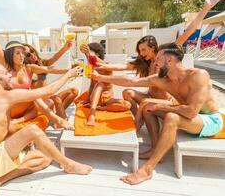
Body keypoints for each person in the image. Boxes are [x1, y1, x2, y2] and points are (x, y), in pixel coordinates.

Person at [92, 0, 224, 158]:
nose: (141, 54)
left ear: (155, 49)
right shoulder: (144, 63)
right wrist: (100, 69)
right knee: (131, 94)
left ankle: (138, 125)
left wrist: (205, 9)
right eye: (139, 51)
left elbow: (190, 30)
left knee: (147, 104)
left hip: (176, 105)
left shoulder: (169, 59)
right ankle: (146, 132)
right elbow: (126, 75)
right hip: (157, 100)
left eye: (144, 50)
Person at [91, 42, 223, 185]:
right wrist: (101, 78)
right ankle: (155, 149)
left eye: (158, 59)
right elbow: (130, 81)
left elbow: (191, 112)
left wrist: (163, 107)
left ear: (170, 60)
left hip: (209, 120)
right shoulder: (162, 80)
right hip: (186, 115)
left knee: (172, 117)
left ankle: (147, 170)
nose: (155, 63)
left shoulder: (198, 75)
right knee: (148, 106)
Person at [0, 64, 92, 196]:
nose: (11, 74)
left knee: (46, 158)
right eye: (6, 73)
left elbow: (3, 127)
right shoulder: (5, 96)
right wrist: (69, 74)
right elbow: (49, 91)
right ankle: (69, 165)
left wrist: (22, 140)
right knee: (32, 129)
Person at [0, 11, 75, 129]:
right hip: (11, 108)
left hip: (26, 109)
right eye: (17, 53)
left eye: (23, 53)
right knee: (34, 96)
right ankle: (58, 121)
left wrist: (70, 71)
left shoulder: (28, 68)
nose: (22, 56)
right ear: (10, 55)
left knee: (45, 101)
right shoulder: (6, 66)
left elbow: (49, 68)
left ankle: (21, 120)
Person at [22, 43, 78, 120]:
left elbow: (54, 58)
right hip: (39, 102)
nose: (32, 54)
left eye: (32, 51)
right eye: (28, 55)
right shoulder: (26, 69)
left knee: (74, 91)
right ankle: (62, 120)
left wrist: (65, 47)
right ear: (24, 57)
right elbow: (52, 70)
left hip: (50, 97)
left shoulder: (41, 63)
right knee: (56, 99)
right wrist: (69, 71)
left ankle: (58, 114)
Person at [80, 42, 131, 126]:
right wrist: (87, 99)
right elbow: (92, 85)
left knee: (127, 105)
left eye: (89, 54)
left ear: (97, 55)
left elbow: (101, 63)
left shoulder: (108, 65)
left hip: (108, 100)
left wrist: (89, 53)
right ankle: (92, 115)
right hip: (96, 99)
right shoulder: (91, 68)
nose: (87, 57)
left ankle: (99, 108)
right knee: (100, 84)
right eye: (86, 55)